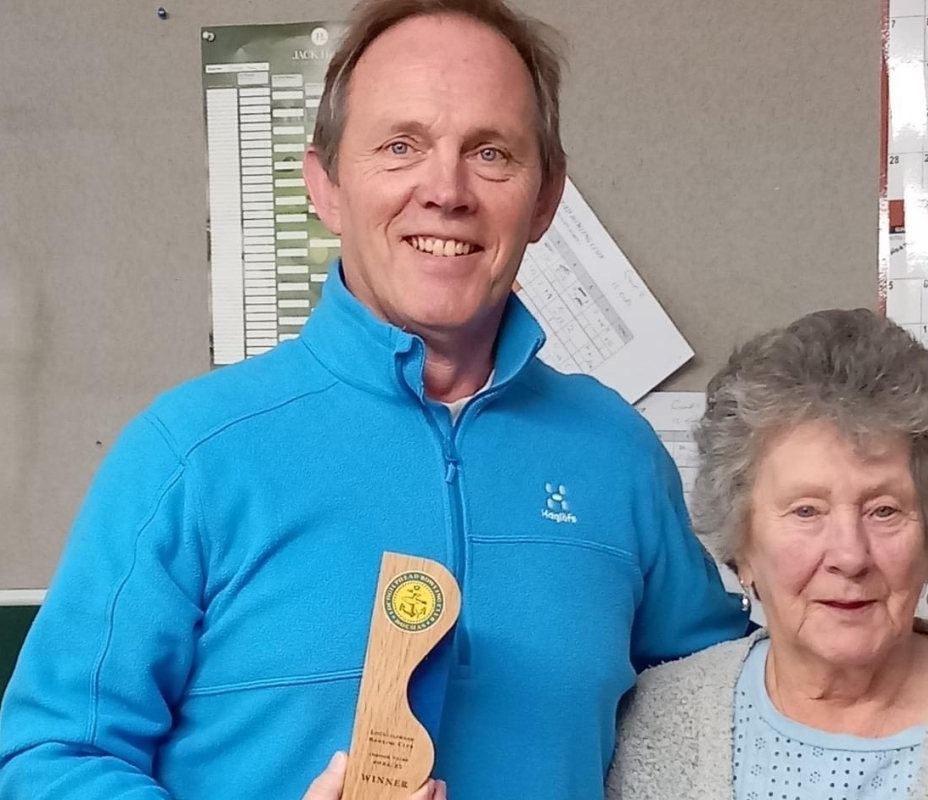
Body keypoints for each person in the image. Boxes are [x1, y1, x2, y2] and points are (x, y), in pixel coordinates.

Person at [0, 1, 749, 798]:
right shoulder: (191, 453)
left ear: (544, 199)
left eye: (491, 153)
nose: (446, 190)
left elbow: (723, 709)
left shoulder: (615, 452)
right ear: (325, 188)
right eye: (401, 146)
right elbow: (50, 761)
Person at [604, 309, 928, 800]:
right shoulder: (658, 719)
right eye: (806, 511)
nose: (850, 556)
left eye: (884, 510)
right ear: (742, 546)